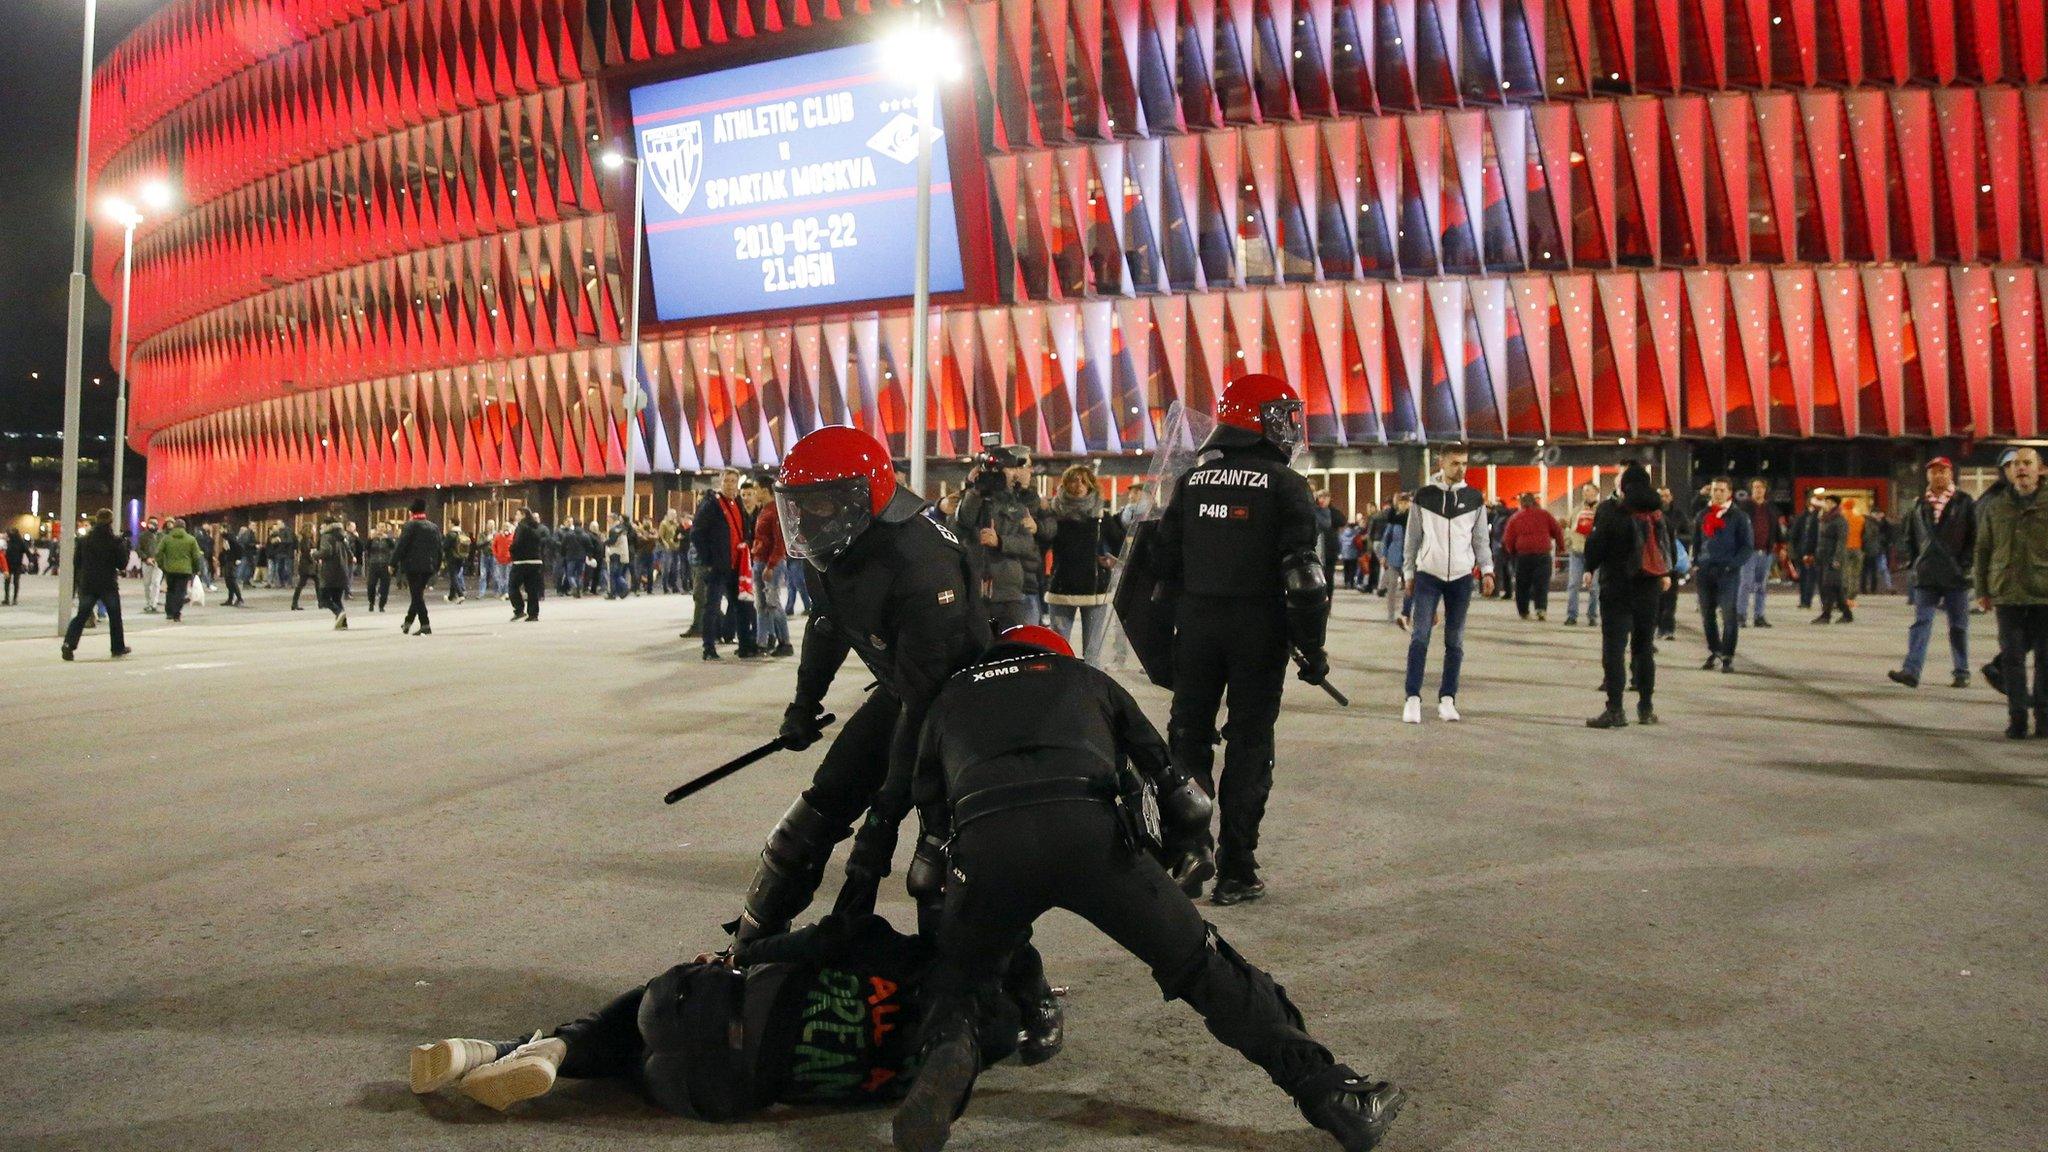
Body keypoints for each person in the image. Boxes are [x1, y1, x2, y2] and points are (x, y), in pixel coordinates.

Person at [891, 625, 1405, 1152]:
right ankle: (1333, 1096)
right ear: (1055, 654)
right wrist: (1187, 850)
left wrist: (957, 935)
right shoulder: (1086, 678)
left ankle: (944, 1068)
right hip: (1090, 834)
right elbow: (1180, 790)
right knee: (1204, 966)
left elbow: (928, 856)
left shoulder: (947, 699)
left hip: (989, 843)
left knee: (960, 989)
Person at [730, 425, 989, 943]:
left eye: (820, 504)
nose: (806, 518)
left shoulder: (921, 563)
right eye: (799, 505)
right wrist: (804, 704)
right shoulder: (832, 550)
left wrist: (884, 818)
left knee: (939, 865)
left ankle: (965, 989)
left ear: (862, 499)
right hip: (905, 691)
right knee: (801, 830)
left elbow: (924, 703)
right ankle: (750, 950)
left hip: (961, 710)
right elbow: (827, 626)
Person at [407, 911, 1052, 1117]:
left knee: (640, 1015)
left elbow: (832, 937)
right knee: (640, 1065)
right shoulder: (937, 1073)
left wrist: (737, 956)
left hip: (712, 1009)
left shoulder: (919, 963)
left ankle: (523, 1048)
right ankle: (551, 1054)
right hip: (723, 1089)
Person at [1150, 373, 1327, 905]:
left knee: (1188, 737)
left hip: (1198, 628)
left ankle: (1189, 848)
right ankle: (1237, 868)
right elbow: (1304, 575)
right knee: (1250, 743)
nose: (1289, 426)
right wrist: (1312, 648)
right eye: (1281, 414)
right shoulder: (1285, 484)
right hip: (1258, 631)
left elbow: (1161, 563)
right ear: (1258, 419)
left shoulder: (1192, 481)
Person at [1401, 446, 1493, 722]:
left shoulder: (1475, 499)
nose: (1461, 468)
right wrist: (1408, 574)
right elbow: (1412, 539)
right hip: (1428, 574)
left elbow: (1480, 540)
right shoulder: (1424, 496)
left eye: (1464, 463)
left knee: (1455, 640)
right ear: (1441, 463)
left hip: (1462, 577)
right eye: (1455, 463)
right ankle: (1413, 699)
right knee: (1420, 637)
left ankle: (1447, 699)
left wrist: (1487, 570)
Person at [1581, 465, 1674, 728]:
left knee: (1614, 648)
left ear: (1624, 487)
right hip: (1649, 589)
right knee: (1644, 649)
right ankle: (1646, 708)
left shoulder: (1611, 510)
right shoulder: (1657, 513)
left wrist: (1590, 567)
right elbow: (1669, 549)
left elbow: (1596, 547)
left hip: (1617, 589)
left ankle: (1615, 709)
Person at [1973, 446, 2048, 738]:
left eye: (2027, 463)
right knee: (2012, 658)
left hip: (2044, 592)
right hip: (2007, 591)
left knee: (2045, 659)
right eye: (2015, 464)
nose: (2021, 468)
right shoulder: (1996, 505)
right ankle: (2017, 717)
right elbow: (1983, 549)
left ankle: (2044, 717)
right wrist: (1982, 588)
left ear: (2040, 469)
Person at [1888, 457, 1976, 689]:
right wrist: (1914, 562)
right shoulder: (1918, 505)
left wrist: (1965, 564)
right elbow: (1909, 537)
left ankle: (1962, 670)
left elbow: (1973, 538)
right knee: (1921, 622)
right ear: (1928, 476)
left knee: (1958, 626)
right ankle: (1911, 671)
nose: (1938, 476)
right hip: (1926, 575)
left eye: (1943, 471)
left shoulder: (1964, 502)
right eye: (1934, 472)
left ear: (1951, 474)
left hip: (1956, 575)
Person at [1040, 462, 1122, 667]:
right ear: (1065, 484)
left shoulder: (1102, 517)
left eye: (1084, 481)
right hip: (1061, 586)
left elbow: (1119, 544)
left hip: (1094, 588)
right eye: (1074, 480)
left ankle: (1091, 695)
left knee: (1092, 654)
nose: (1078, 485)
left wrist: (1113, 560)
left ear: (1091, 486)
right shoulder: (1053, 513)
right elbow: (1041, 544)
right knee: (1058, 651)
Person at [954, 444, 1042, 631]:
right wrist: (974, 491)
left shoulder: (1017, 502)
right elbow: (960, 524)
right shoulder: (973, 496)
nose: (1011, 474)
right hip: (975, 590)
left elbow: (1027, 543)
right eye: (1007, 469)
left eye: (1011, 469)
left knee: (1013, 648)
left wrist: (1000, 541)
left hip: (1008, 592)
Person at [1691, 477, 1752, 672]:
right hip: (1705, 570)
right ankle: (1715, 650)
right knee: (1707, 615)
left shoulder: (1738, 517)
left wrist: (1733, 565)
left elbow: (1747, 546)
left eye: (1722, 490)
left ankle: (1727, 655)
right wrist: (1695, 563)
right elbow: (1697, 541)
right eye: (1715, 489)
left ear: (1729, 493)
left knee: (1728, 615)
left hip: (1727, 572)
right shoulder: (1703, 515)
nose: (1717, 493)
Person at [61, 509, 132, 662]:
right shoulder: (115, 541)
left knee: (81, 615)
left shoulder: (83, 540)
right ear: (111, 521)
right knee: (114, 616)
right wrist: (126, 548)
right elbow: (122, 565)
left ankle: (68, 644)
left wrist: (82, 578)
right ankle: (117, 647)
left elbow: (76, 563)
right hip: (108, 584)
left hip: (88, 583)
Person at [690, 470, 747, 660]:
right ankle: (708, 647)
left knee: (739, 604)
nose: (730, 484)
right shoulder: (712, 504)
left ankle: (742, 642)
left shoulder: (737, 503)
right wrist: (708, 560)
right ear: (721, 482)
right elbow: (697, 533)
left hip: (735, 564)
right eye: (727, 481)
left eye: (734, 481)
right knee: (712, 606)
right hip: (718, 565)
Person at [1501, 492, 1563, 621]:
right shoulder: (1545, 514)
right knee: (1541, 583)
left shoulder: (1516, 517)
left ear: (1522, 503)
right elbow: (1557, 530)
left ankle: (1523, 611)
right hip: (1543, 554)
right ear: (1535, 502)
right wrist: (1561, 547)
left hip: (1523, 555)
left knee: (1522, 584)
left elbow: (1508, 538)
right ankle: (1541, 609)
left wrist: (1512, 551)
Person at [752, 487, 794, 656]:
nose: (755, 493)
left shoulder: (775, 511)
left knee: (773, 604)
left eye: (756, 489)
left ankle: (785, 642)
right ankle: (761, 642)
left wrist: (771, 565)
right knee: (762, 605)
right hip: (760, 561)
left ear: (764, 490)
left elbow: (779, 542)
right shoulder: (764, 510)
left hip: (770, 564)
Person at [393, 500, 444, 635]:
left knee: (416, 595)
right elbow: (439, 548)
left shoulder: (410, 526)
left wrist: (392, 563)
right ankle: (408, 622)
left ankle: (425, 624)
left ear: (411, 512)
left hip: (412, 566)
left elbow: (401, 546)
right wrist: (437, 565)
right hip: (429, 566)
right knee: (417, 594)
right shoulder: (433, 527)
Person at [1739, 478, 1780, 627]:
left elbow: (1775, 528)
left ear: (1765, 490)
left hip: (1766, 552)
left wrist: (1780, 545)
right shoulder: (1744, 507)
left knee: (1761, 586)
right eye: (1755, 487)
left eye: (1761, 487)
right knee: (1745, 584)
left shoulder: (1770, 508)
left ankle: (1759, 616)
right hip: (1749, 552)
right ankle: (1741, 615)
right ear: (1751, 490)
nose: (1758, 490)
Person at [1811, 494, 1852, 623]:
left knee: (1827, 586)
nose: (1827, 505)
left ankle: (1826, 615)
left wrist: (1837, 559)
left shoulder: (1840, 520)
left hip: (1832, 558)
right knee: (1835, 587)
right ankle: (1846, 614)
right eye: (1826, 502)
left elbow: (1841, 541)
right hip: (1822, 557)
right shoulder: (1825, 518)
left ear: (1835, 504)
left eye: (1829, 503)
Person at [155, 517, 203, 623]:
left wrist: (162, 565)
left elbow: (158, 553)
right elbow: (196, 556)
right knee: (180, 592)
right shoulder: (191, 539)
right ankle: (177, 613)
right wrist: (196, 569)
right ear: (184, 527)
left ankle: (169, 612)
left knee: (171, 590)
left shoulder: (166, 539)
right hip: (185, 570)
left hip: (170, 570)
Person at [507, 507, 546, 622]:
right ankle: (533, 614)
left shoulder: (521, 527)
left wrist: (512, 550)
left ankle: (519, 610)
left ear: (523, 515)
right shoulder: (537, 527)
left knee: (513, 586)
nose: (516, 517)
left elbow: (517, 543)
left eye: (517, 514)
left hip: (521, 561)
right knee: (532, 588)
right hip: (536, 561)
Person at [315, 517, 352, 629]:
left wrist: (315, 554)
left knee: (323, 599)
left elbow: (326, 551)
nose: (320, 528)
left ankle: (338, 612)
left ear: (327, 525)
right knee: (337, 599)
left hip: (329, 572)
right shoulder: (342, 536)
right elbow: (350, 554)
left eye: (322, 525)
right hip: (342, 571)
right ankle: (343, 623)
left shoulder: (326, 536)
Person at [1788, 493, 1823, 610]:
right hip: (1806, 552)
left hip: (1809, 552)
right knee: (1808, 577)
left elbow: (1794, 534)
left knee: (1808, 577)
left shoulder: (1810, 516)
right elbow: (1795, 534)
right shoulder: (1808, 517)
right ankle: (1805, 600)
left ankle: (1805, 601)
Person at [1378, 492, 1410, 624]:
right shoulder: (1394, 521)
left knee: (1410, 587)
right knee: (1392, 587)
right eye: (1401, 503)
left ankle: (1407, 613)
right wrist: (1383, 555)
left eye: (1405, 502)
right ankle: (1390, 614)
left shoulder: (1413, 519)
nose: (1403, 505)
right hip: (1394, 556)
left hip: (1409, 558)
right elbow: (1386, 539)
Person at [1313, 489, 1342, 597]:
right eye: (1321, 497)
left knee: (1329, 578)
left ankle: (1328, 603)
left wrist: (1329, 508)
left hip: (1330, 549)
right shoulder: (1314, 510)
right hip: (1318, 549)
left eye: (1326, 497)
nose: (1323, 500)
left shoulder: (1332, 512)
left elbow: (1341, 520)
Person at [363, 524, 395, 612]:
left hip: (385, 565)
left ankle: (382, 605)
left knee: (385, 586)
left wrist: (388, 538)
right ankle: (371, 602)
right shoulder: (373, 538)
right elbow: (366, 547)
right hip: (374, 564)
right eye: (379, 527)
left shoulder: (388, 539)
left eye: (382, 527)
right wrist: (370, 538)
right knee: (371, 585)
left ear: (385, 529)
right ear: (376, 528)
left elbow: (394, 547)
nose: (380, 529)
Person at [216, 520, 246, 607]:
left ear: (225, 529)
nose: (220, 531)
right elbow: (226, 550)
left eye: (221, 529)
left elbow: (238, 547)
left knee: (232, 580)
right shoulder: (225, 537)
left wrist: (238, 558)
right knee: (228, 581)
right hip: (227, 560)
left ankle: (240, 598)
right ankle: (230, 599)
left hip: (231, 560)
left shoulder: (230, 537)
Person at [3, 527, 27, 605]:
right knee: (9, 582)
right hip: (9, 565)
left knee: (14, 582)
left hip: (16, 565)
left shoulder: (19, 542)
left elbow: (27, 551)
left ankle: (13, 599)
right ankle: (8, 599)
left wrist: (31, 560)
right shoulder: (8, 542)